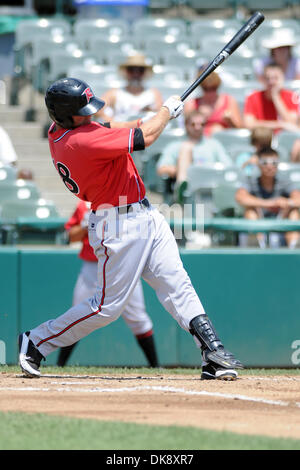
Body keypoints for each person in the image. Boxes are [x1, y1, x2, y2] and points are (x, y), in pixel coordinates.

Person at [18, 77, 243, 381]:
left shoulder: (65, 130)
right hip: (118, 224)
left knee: (177, 284)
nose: (90, 115)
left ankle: (212, 353)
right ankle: (37, 341)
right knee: (107, 308)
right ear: (63, 114)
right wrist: (164, 112)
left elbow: (114, 125)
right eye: (83, 111)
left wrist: (150, 117)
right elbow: (143, 139)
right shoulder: (80, 141)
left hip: (145, 214)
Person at [57, 200, 159, 367]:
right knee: (77, 315)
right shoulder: (84, 205)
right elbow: (70, 236)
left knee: (138, 318)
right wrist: (85, 227)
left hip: (123, 265)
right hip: (92, 266)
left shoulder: (125, 201)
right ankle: (60, 366)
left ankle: (156, 366)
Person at [235, 146, 300, 249]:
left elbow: (298, 198)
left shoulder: (284, 181)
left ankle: (295, 249)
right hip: (258, 226)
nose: (269, 166)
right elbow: (240, 197)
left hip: (281, 227)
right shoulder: (250, 180)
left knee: (294, 213)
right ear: (259, 165)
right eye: (265, 162)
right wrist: (268, 203)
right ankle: (256, 249)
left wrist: (288, 202)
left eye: (274, 162)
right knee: (250, 212)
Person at [95, 53, 163, 122]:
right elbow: (97, 109)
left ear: (145, 73)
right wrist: (113, 123)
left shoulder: (153, 93)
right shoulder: (115, 93)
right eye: (131, 70)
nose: (135, 74)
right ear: (126, 72)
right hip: (122, 130)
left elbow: (161, 115)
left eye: (140, 70)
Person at [244, 63, 300, 133]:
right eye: (268, 78)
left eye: (275, 78)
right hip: (262, 138)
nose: (271, 82)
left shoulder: (292, 96)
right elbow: (249, 124)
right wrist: (279, 125)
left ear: (283, 78)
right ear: (263, 80)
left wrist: (276, 97)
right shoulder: (253, 97)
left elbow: (292, 123)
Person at [183, 70, 243, 136]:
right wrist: (200, 118)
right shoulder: (191, 104)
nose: (210, 93)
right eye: (206, 89)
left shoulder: (229, 101)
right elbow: (187, 130)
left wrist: (230, 121)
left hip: (224, 142)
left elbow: (239, 129)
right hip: (199, 141)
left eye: (213, 89)